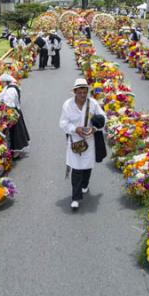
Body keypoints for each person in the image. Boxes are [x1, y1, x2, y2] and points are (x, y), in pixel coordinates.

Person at [59, 78, 106, 210]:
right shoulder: (67, 105)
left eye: (85, 92)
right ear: (75, 92)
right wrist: (76, 129)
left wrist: (95, 128)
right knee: (76, 168)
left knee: (87, 166)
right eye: (80, 92)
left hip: (89, 141)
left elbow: (103, 119)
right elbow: (63, 123)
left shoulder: (93, 104)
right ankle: (75, 198)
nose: (83, 95)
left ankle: (85, 184)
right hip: (74, 141)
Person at [0, 73, 30, 157]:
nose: (1, 84)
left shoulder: (10, 90)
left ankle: (16, 151)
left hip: (12, 112)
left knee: (15, 132)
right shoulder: (10, 88)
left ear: (5, 82)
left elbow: (9, 104)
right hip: (12, 111)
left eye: (1, 82)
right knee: (15, 132)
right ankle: (14, 150)